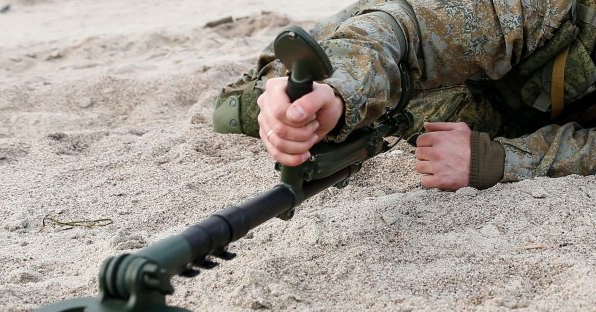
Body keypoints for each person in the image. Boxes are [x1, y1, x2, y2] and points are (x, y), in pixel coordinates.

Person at [212, 0, 596, 191]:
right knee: (245, 109)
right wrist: (337, 91)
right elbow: (414, 30)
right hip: (435, 43)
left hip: (514, 111)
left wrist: (499, 161)